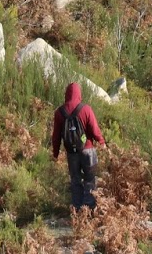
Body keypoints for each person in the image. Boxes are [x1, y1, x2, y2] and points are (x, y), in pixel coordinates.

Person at [52, 81, 105, 212]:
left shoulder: (59, 112)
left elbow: (56, 136)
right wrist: (102, 142)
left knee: (75, 180)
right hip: (88, 150)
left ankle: (77, 209)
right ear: (79, 94)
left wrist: (55, 153)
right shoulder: (85, 109)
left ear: (66, 94)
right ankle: (89, 210)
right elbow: (94, 130)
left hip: (72, 153)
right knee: (90, 179)